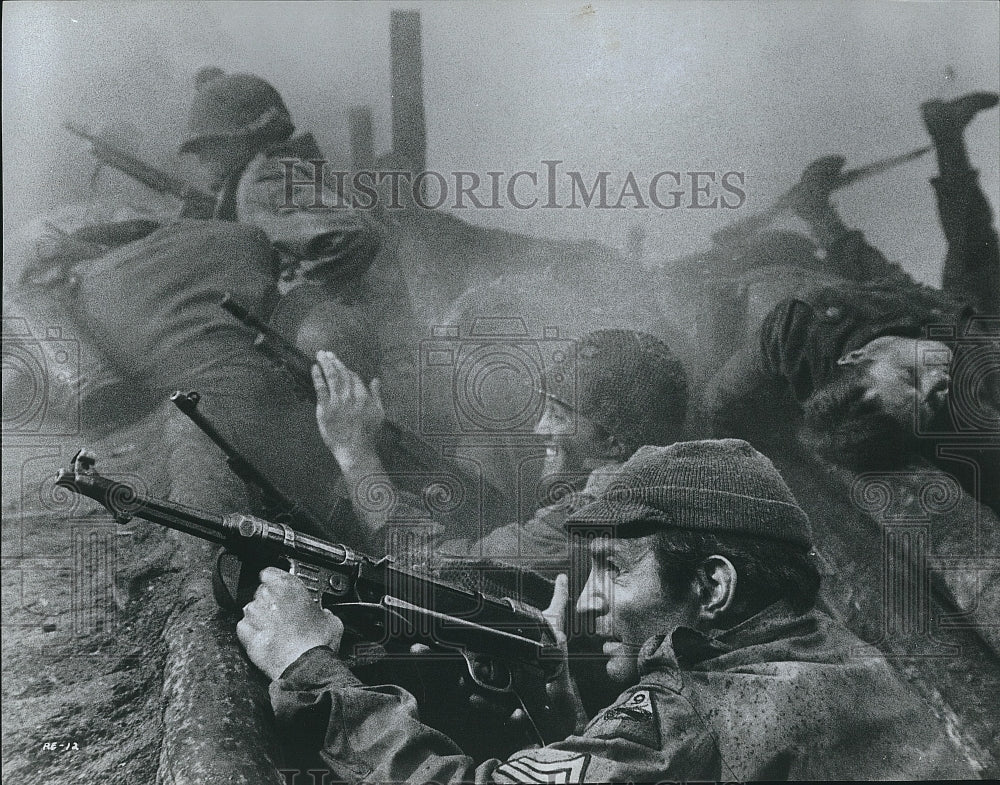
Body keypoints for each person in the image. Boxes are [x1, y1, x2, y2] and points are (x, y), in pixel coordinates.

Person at [236, 439, 975, 781]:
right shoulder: (841, 651)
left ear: (712, 587)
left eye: (613, 571)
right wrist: (569, 696)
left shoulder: (694, 711)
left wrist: (314, 669)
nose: (588, 602)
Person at [310, 328, 690, 573]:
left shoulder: (586, 522)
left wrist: (355, 452)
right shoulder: (670, 487)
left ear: (613, 441)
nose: (540, 427)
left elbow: (422, 566)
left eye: (558, 414)